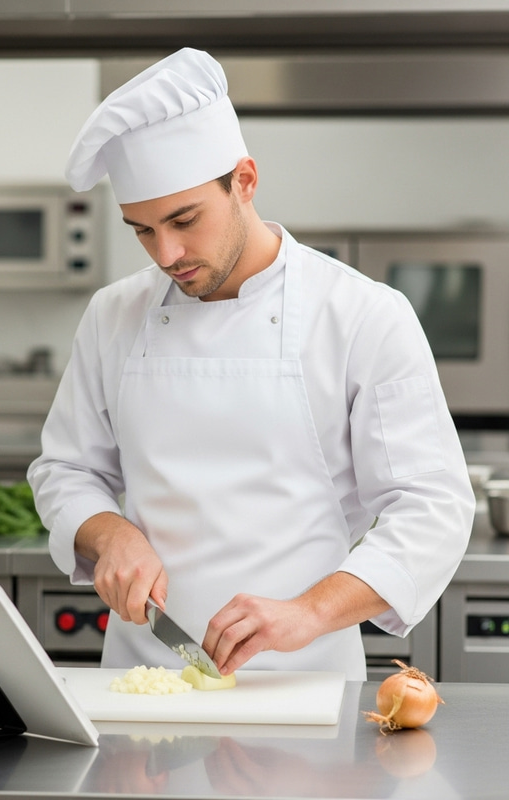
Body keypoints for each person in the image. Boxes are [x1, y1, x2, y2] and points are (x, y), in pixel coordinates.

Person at [27, 47, 475, 680]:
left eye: (185, 220)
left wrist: (310, 612)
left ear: (244, 180)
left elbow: (433, 506)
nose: (168, 253)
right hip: (146, 682)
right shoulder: (113, 315)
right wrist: (109, 534)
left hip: (304, 679)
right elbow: (66, 469)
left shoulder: (363, 315)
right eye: (143, 230)